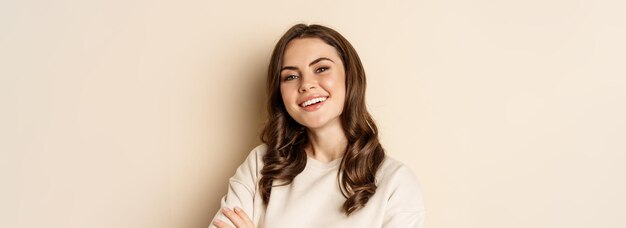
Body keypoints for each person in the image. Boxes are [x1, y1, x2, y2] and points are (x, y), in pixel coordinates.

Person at [209, 24, 425, 228]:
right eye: (291, 76)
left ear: (350, 77)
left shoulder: (395, 183)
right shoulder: (261, 164)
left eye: (321, 69)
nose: (306, 84)